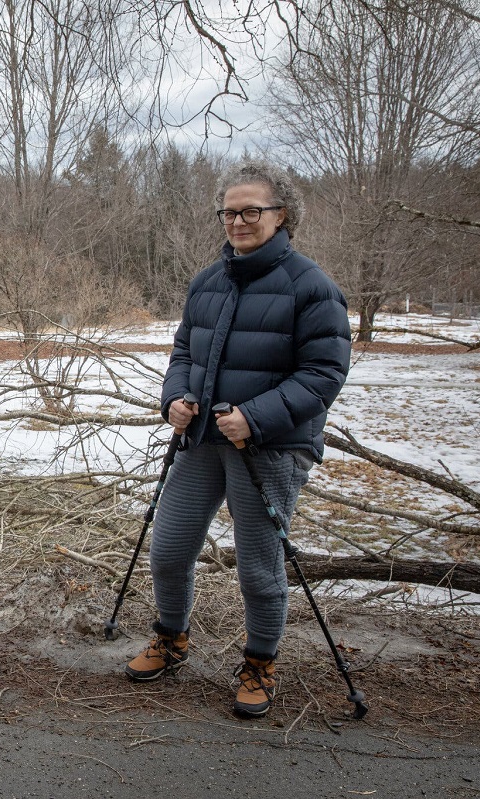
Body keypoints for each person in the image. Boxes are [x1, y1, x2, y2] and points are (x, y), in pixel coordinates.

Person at [124, 159, 352, 718]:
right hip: (202, 439)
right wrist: (174, 400)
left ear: (282, 214)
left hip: (270, 447)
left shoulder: (313, 287)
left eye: (251, 210)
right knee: (170, 547)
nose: (238, 221)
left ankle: (259, 662)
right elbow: (184, 352)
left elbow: (324, 375)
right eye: (229, 212)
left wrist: (256, 417)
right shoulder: (208, 281)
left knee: (258, 565)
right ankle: (171, 637)